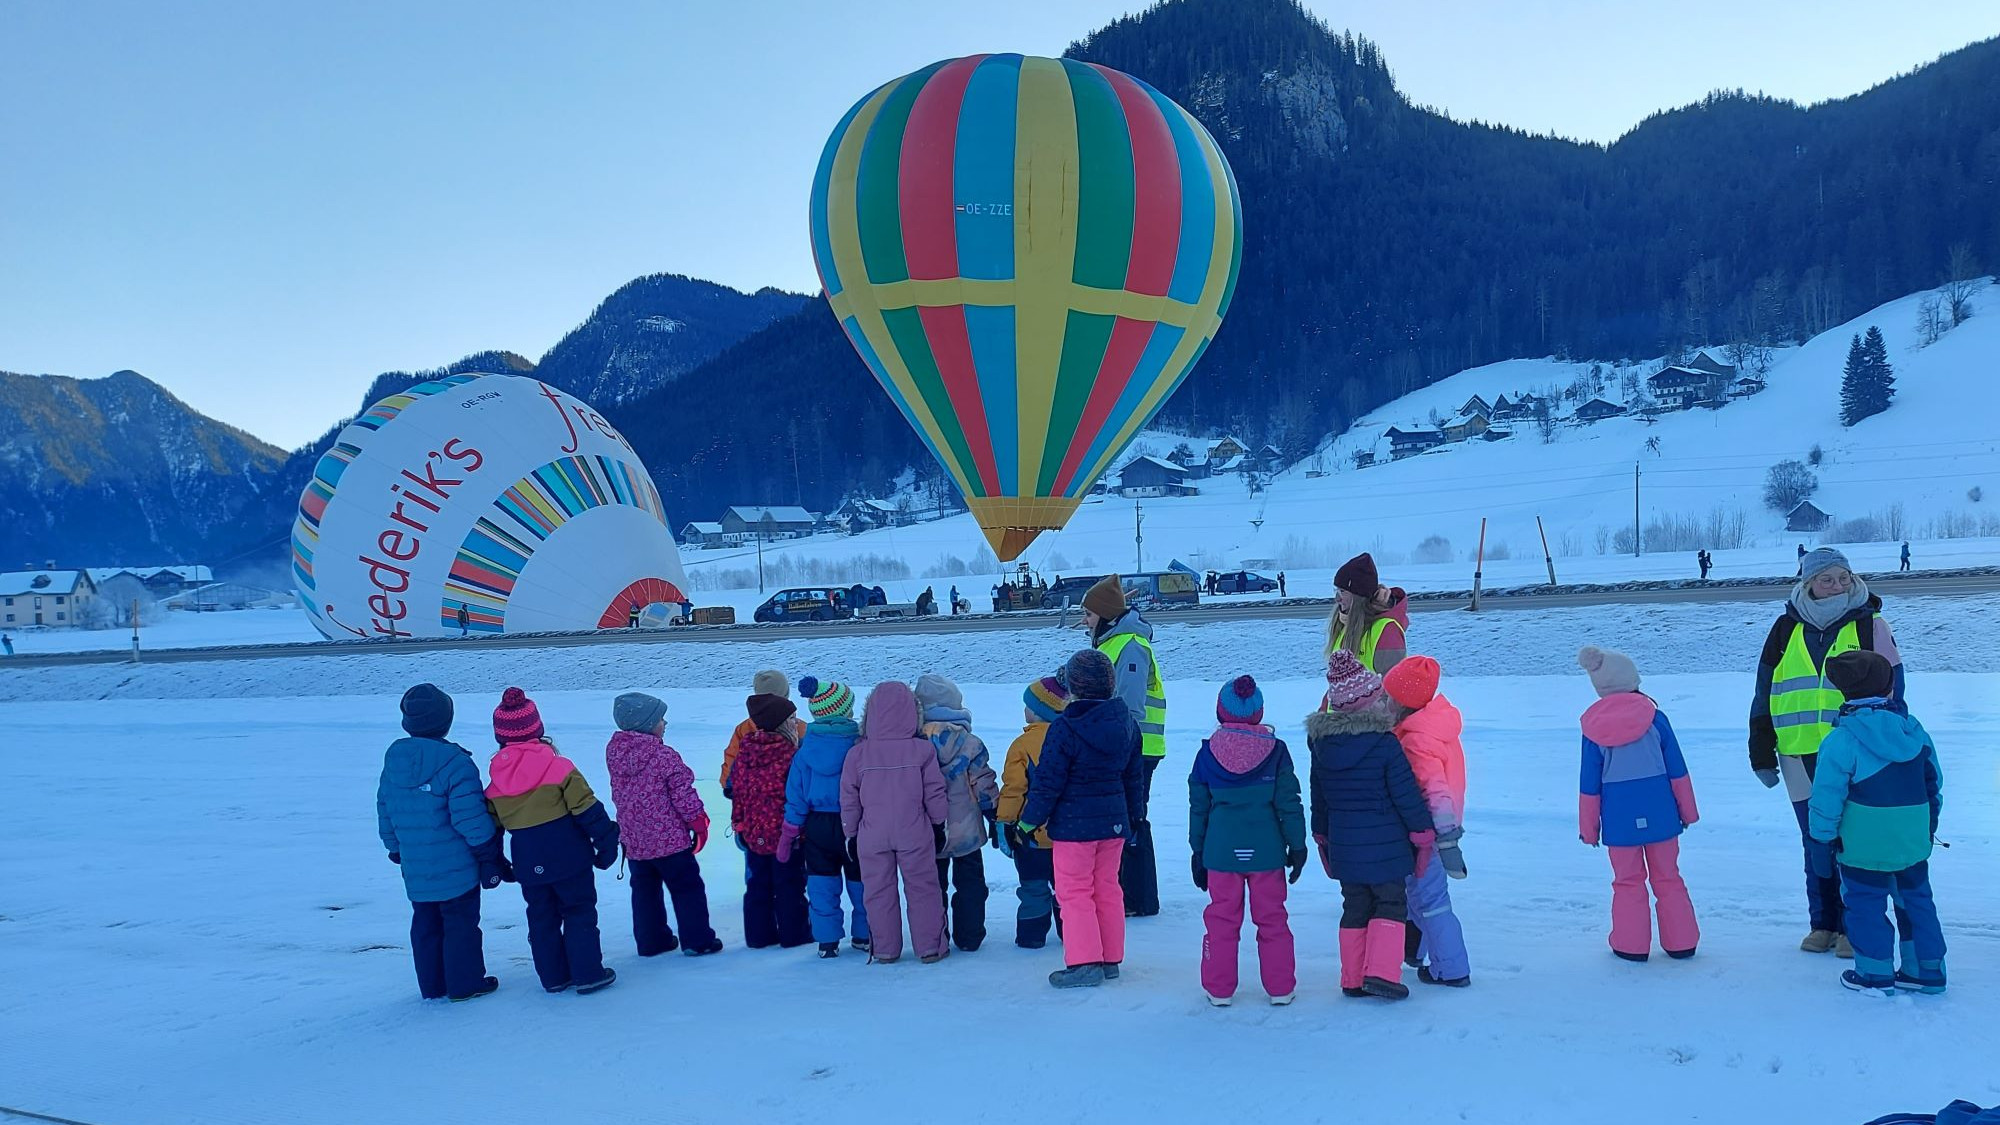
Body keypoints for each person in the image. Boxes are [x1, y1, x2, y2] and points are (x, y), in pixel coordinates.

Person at [1749, 547, 1903, 957]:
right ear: (1808, 583)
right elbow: (1765, 690)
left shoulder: (1872, 626)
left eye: (1844, 577)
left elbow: (1894, 691)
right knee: (1815, 840)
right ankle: (1824, 923)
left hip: (1856, 755)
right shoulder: (1785, 628)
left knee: (1854, 840)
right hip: (1797, 754)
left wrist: (1893, 744)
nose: (1837, 585)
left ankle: (1855, 926)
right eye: (1827, 579)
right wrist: (1760, 749)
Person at [1808, 650, 1946, 994]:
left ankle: (1874, 973)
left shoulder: (1840, 740)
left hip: (1862, 845)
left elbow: (1826, 799)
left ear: (1844, 693)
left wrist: (1822, 841)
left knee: (1865, 906)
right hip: (1910, 841)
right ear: (1889, 689)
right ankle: (1927, 970)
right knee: (1917, 902)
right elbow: (1934, 784)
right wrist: (1928, 825)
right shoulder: (1914, 732)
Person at [1306, 651, 1434, 1000]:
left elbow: (1320, 798)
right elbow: (1405, 794)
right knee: (1391, 903)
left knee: (1355, 905)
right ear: (1367, 701)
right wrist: (1422, 832)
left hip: (1345, 846)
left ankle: (1352, 977)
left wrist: (1322, 837)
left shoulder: (1322, 746)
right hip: (1387, 845)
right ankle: (1381, 973)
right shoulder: (1385, 743)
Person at [1019, 649, 1147, 989]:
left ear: (1073, 687)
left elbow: (1048, 781)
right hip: (1114, 824)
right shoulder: (1127, 724)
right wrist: (1135, 817)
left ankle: (1084, 962)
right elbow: (1134, 778)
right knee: (1107, 888)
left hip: (1074, 828)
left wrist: (1029, 820)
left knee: (1074, 893)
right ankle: (1109, 958)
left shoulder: (1065, 728)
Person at [485, 687, 619, 994]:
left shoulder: (495, 782)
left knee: (541, 918)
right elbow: (587, 809)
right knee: (579, 911)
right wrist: (607, 841)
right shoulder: (560, 767)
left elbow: (492, 828)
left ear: (500, 737)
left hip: (528, 861)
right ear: (538, 729)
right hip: (570, 856)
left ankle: (554, 976)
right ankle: (588, 973)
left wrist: (495, 861)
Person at [377, 684, 507, 1001]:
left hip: (416, 865)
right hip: (456, 866)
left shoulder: (394, 760)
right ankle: (465, 983)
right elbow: (470, 818)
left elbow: (385, 808)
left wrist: (395, 848)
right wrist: (487, 851)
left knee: (426, 924)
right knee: (460, 923)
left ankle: (433, 985)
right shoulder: (455, 763)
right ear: (446, 721)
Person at [1577, 647, 1701, 963]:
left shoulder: (1592, 728)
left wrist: (1589, 829)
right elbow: (1678, 771)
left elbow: (1589, 786)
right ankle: (1682, 941)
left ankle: (1630, 945)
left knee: (1627, 881)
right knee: (1668, 877)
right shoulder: (1656, 719)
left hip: (1618, 819)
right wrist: (1687, 811)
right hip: (1661, 813)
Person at [1189, 675, 1305, 1007]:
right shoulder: (1277, 752)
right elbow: (1289, 803)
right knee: (1272, 918)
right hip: (1267, 852)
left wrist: (1198, 851)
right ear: (1259, 712)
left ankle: (1219, 987)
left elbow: (1199, 808)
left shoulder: (1208, 753)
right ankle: (1281, 987)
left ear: (1221, 712)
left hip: (1221, 853)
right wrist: (1296, 845)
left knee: (1222, 919)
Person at [604, 692, 721, 959]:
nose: (665, 723)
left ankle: (651, 940)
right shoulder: (663, 756)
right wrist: (698, 822)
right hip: (669, 841)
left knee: (645, 892)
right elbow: (683, 793)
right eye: (660, 719)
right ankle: (698, 940)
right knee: (687, 888)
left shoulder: (614, 753)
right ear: (647, 724)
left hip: (635, 840)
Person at [840, 681, 950, 964]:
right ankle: (929, 947)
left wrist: (850, 833)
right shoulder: (921, 751)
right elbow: (934, 791)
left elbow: (849, 798)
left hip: (871, 833)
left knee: (877, 892)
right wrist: (938, 824)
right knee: (923, 888)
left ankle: (886, 949)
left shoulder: (857, 754)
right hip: (914, 830)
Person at [1079, 575, 1165, 918]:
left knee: (1132, 818)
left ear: (1103, 614)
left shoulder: (1129, 645)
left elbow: (1129, 707)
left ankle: (1138, 898)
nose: (1083, 621)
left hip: (1136, 748)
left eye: (1087, 614)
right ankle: (1131, 896)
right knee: (1127, 817)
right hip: (1129, 746)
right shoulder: (1111, 643)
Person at [1383, 656, 1472, 986]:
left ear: (1402, 703)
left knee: (1431, 900)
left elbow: (1434, 791)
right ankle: (1417, 949)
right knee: (1418, 895)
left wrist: (1446, 836)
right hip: (1431, 829)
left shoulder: (1418, 740)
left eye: (1388, 697)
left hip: (1431, 832)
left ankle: (1451, 968)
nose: (1383, 700)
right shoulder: (1433, 726)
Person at [777, 677, 870, 958]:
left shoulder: (805, 752)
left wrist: (788, 833)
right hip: (855, 823)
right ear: (848, 711)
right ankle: (864, 934)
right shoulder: (860, 747)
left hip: (817, 825)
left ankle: (827, 941)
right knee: (862, 881)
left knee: (820, 883)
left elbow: (796, 797)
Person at [916, 673, 998, 953]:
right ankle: (970, 935)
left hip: (928, 829)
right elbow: (983, 782)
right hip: (967, 832)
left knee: (932, 886)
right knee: (971, 883)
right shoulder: (970, 742)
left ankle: (935, 937)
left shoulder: (913, 743)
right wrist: (994, 813)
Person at [732, 693, 811, 949]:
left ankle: (758, 936)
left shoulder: (745, 752)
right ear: (782, 723)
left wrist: (740, 824)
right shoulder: (790, 754)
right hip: (786, 836)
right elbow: (799, 795)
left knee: (757, 886)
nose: (795, 722)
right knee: (789, 885)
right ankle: (794, 934)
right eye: (792, 718)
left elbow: (738, 792)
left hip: (755, 834)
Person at [998, 674, 1068, 949]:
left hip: (1031, 835)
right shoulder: (1068, 739)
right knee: (1066, 889)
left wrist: (1005, 821)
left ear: (1039, 711)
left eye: (1028, 705)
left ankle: (1031, 935)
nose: (1024, 710)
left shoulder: (1022, 745)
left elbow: (1014, 788)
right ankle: (1071, 932)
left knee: (1033, 886)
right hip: (1066, 834)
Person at [721, 670, 806, 791]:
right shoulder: (799, 727)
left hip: (752, 800)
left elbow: (730, 767)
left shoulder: (743, 729)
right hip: (792, 799)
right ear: (786, 694)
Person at [1326, 552, 1409, 675]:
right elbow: (1340, 687)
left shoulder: (1386, 631)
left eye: (1343, 591)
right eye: (1336, 591)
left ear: (1358, 596)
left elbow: (1396, 688)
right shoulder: (1344, 625)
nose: (1337, 598)